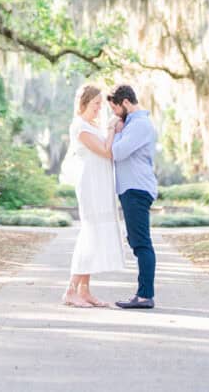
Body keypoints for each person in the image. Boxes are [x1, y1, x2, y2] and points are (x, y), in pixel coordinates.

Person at [59, 83, 128, 307]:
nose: (100, 107)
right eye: (96, 103)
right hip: (90, 186)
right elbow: (106, 151)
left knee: (96, 237)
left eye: (100, 103)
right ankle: (70, 290)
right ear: (85, 103)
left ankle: (85, 290)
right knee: (90, 236)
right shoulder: (80, 126)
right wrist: (110, 129)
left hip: (101, 185)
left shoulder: (90, 125)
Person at [107, 83, 157, 309]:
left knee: (141, 243)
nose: (115, 115)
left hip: (136, 189)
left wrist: (116, 133)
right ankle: (143, 293)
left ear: (125, 102)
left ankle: (145, 295)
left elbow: (117, 153)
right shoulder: (133, 124)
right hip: (131, 188)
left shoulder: (140, 125)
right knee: (137, 241)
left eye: (115, 109)